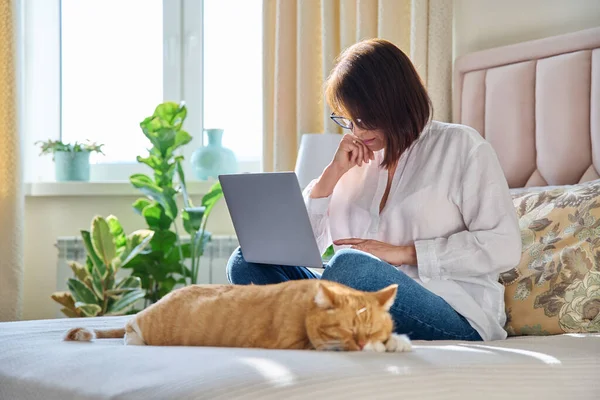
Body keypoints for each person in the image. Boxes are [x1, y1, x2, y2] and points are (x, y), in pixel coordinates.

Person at [227, 38, 521, 342]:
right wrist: (333, 174)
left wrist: (404, 254)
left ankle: (303, 330)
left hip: (453, 309)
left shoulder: (461, 146)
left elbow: (503, 245)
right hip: (353, 302)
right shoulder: (355, 160)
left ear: (394, 104)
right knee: (247, 260)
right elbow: (303, 250)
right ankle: (314, 332)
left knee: (353, 268)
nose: (357, 131)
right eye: (349, 120)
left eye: (365, 119)